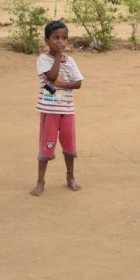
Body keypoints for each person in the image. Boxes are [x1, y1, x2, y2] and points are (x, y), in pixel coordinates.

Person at [31, 20, 83, 196]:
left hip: (67, 111)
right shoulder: (43, 59)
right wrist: (59, 58)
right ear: (47, 40)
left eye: (64, 38)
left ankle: (70, 176)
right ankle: (40, 180)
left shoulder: (71, 61)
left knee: (69, 146)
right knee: (46, 146)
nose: (60, 41)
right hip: (49, 112)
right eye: (55, 38)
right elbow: (51, 77)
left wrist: (61, 83)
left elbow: (78, 83)